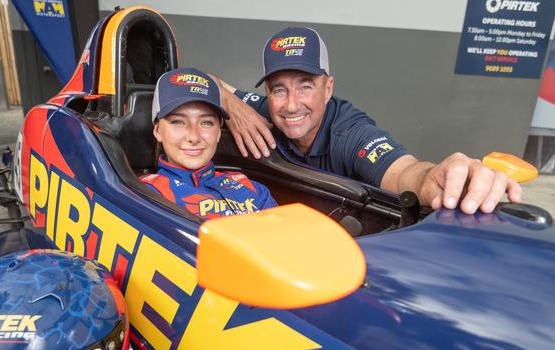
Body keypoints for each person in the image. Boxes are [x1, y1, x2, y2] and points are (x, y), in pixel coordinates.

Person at [213, 26, 523, 215]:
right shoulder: (259, 109)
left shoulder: (351, 133)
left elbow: (405, 173)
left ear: (328, 88)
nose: (291, 104)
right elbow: (202, 79)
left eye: (305, 85)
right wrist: (231, 104)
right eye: (279, 89)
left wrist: (435, 177)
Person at [141, 67, 277, 219]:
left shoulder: (254, 189)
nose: (194, 136)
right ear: (158, 131)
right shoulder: (145, 194)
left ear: (218, 132)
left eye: (206, 123)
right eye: (178, 122)